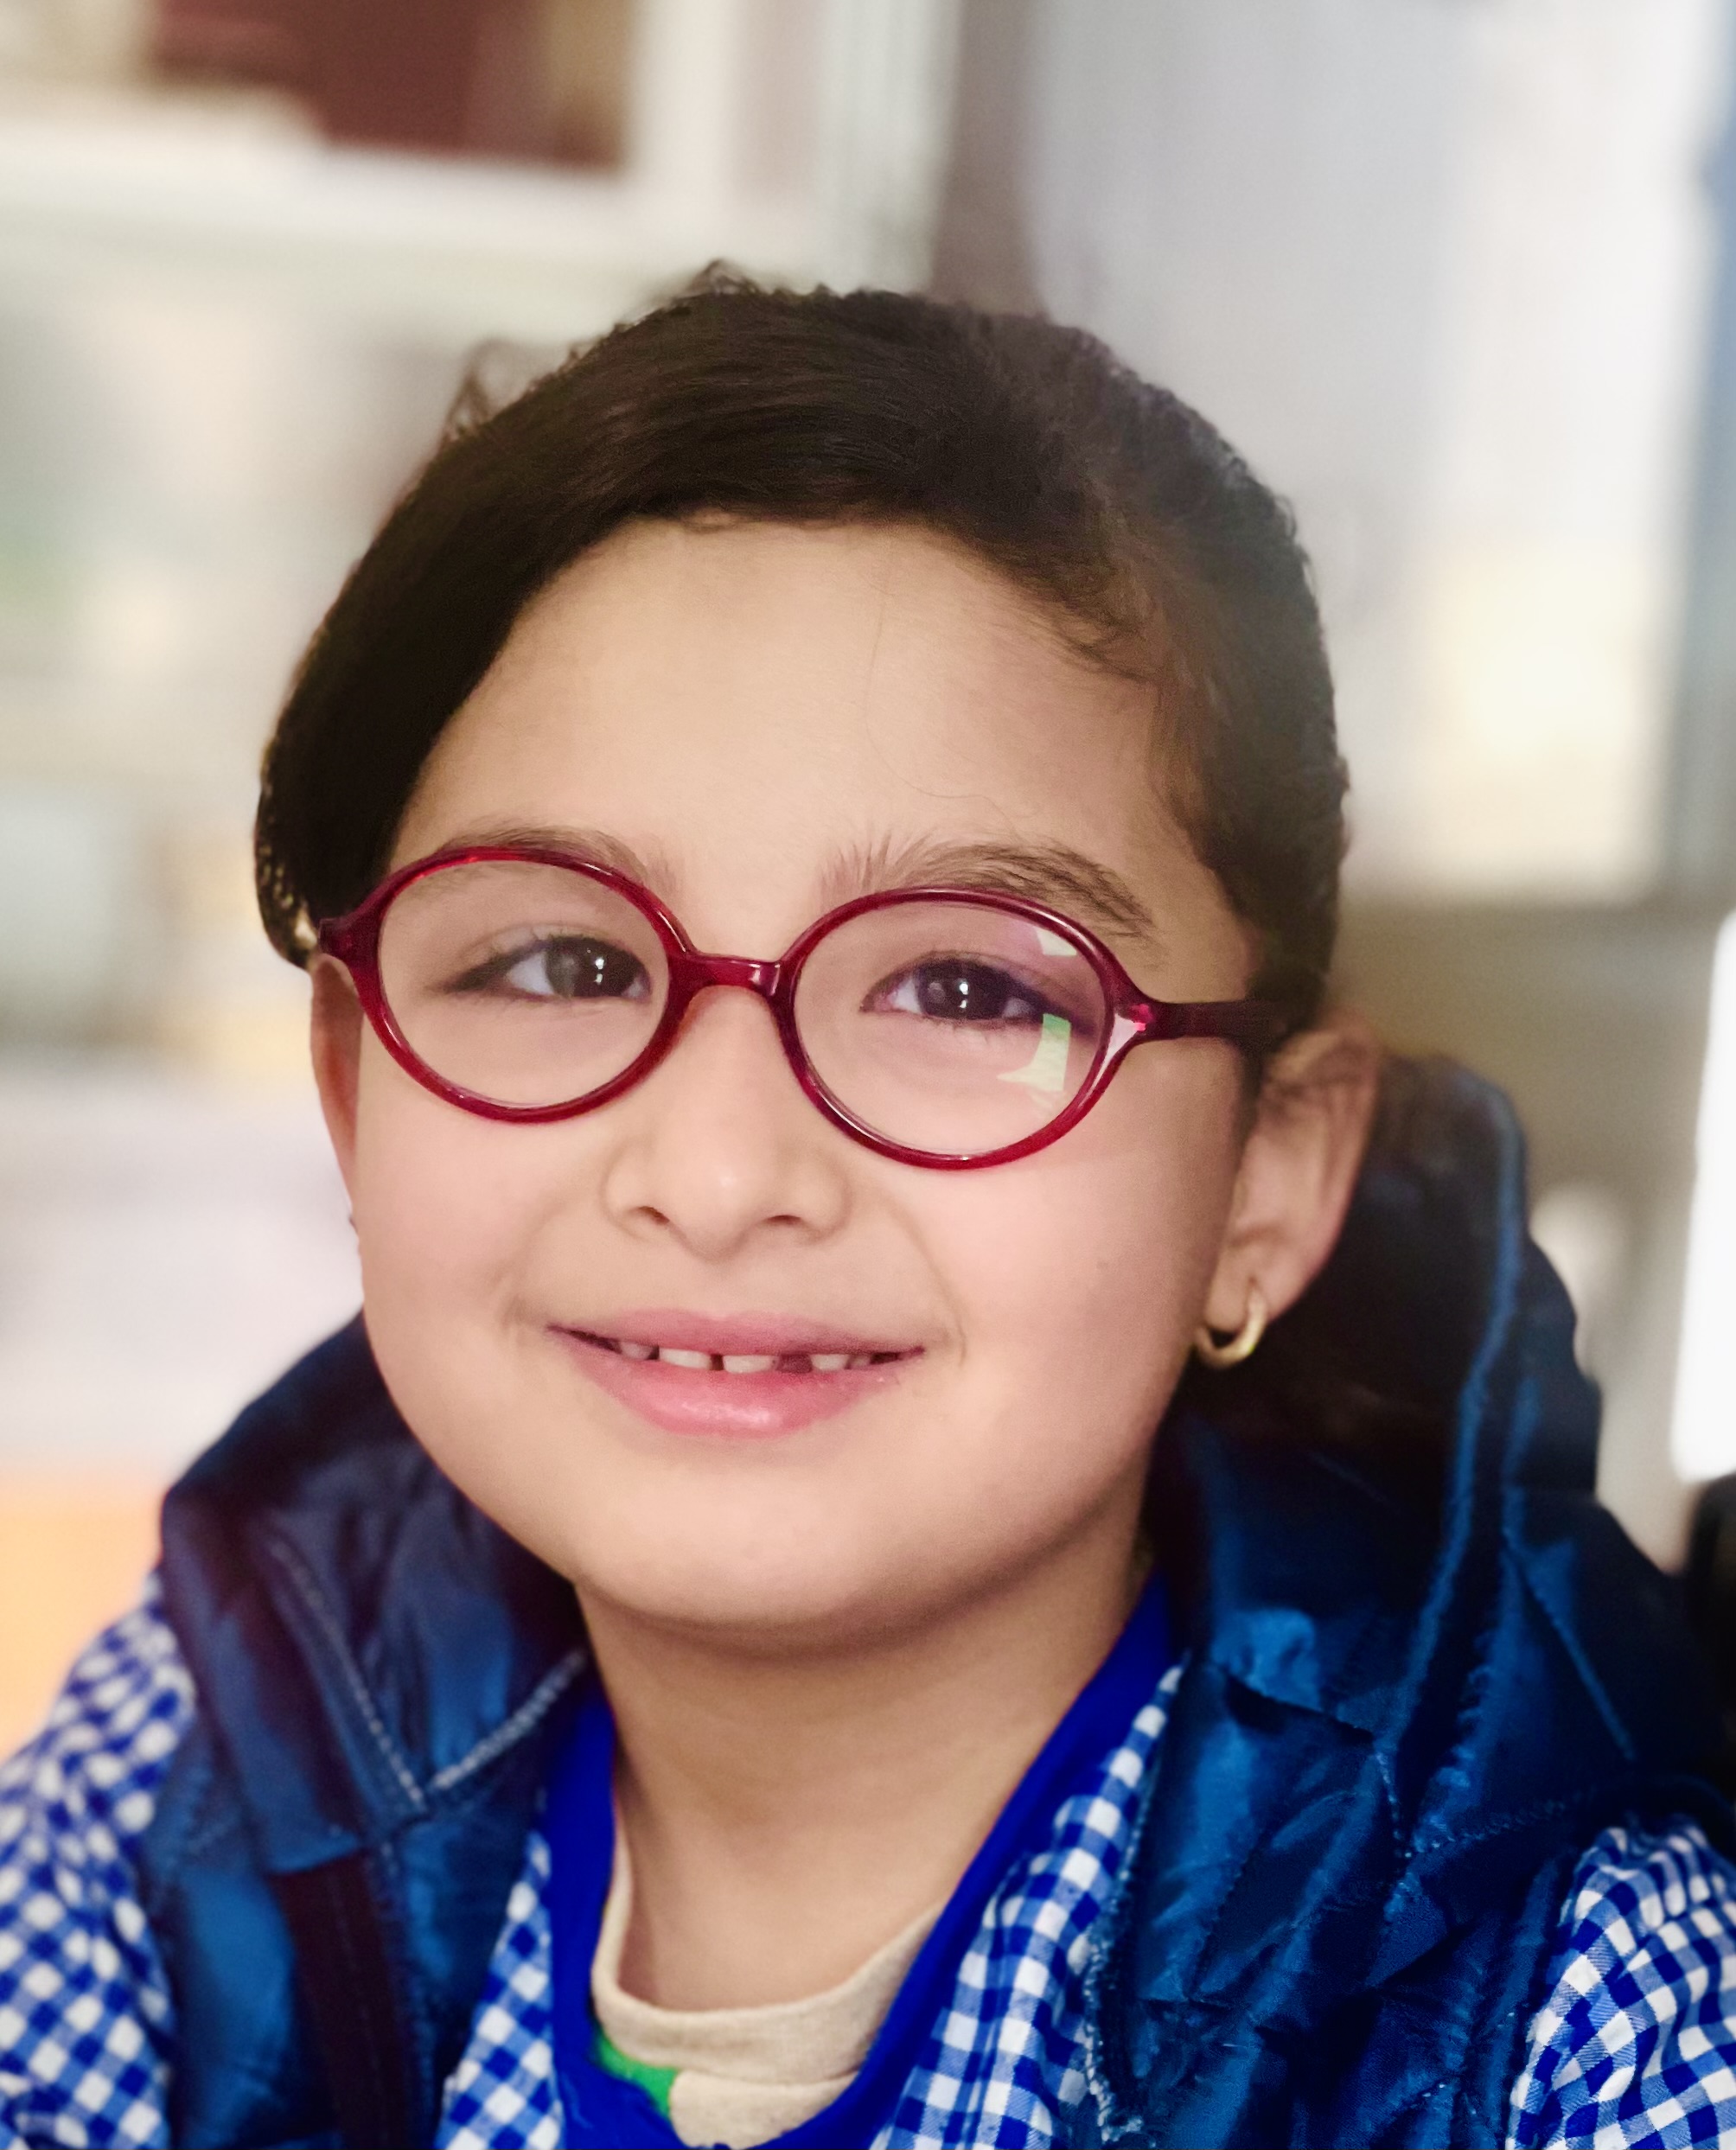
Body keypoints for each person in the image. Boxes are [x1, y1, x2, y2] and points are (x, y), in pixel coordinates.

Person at [3, 278, 1733, 2150]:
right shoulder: (194, 1785)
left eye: (967, 991)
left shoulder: (1577, 2025)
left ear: (1268, 1175)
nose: (719, 1175)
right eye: (564, 961)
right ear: (355, 1087)